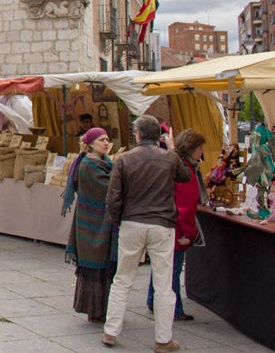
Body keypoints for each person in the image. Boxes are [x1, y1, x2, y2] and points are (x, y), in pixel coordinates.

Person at [102, 115, 190, 352]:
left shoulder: (123, 159)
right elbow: (186, 176)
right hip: (162, 224)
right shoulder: (169, 158)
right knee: (164, 284)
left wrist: (118, 219)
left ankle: (111, 331)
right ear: (158, 136)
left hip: (132, 222)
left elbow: (113, 196)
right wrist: (172, 150)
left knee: (122, 279)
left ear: (137, 135)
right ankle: (163, 339)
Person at [147, 129, 206, 321]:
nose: (202, 152)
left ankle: (153, 300)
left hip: (162, 222)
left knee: (161, 266)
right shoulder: (185, 171)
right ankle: (173, 309)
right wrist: (189, 232)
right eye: (200, 148)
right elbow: (186, 207)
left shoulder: (170, 164)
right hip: (175, 228)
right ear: (192, 149)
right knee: (172, 270)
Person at [62, 127, 117, 323]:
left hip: (103, 222)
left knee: (105, 268)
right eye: (101, 139)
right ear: (91, 143)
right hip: (92, 222)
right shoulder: (87, 166)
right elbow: (107, 189)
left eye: (107, 139)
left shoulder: (106, 163)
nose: (105, 143)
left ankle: (104, 307)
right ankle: (94, 309)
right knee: (95, 267)